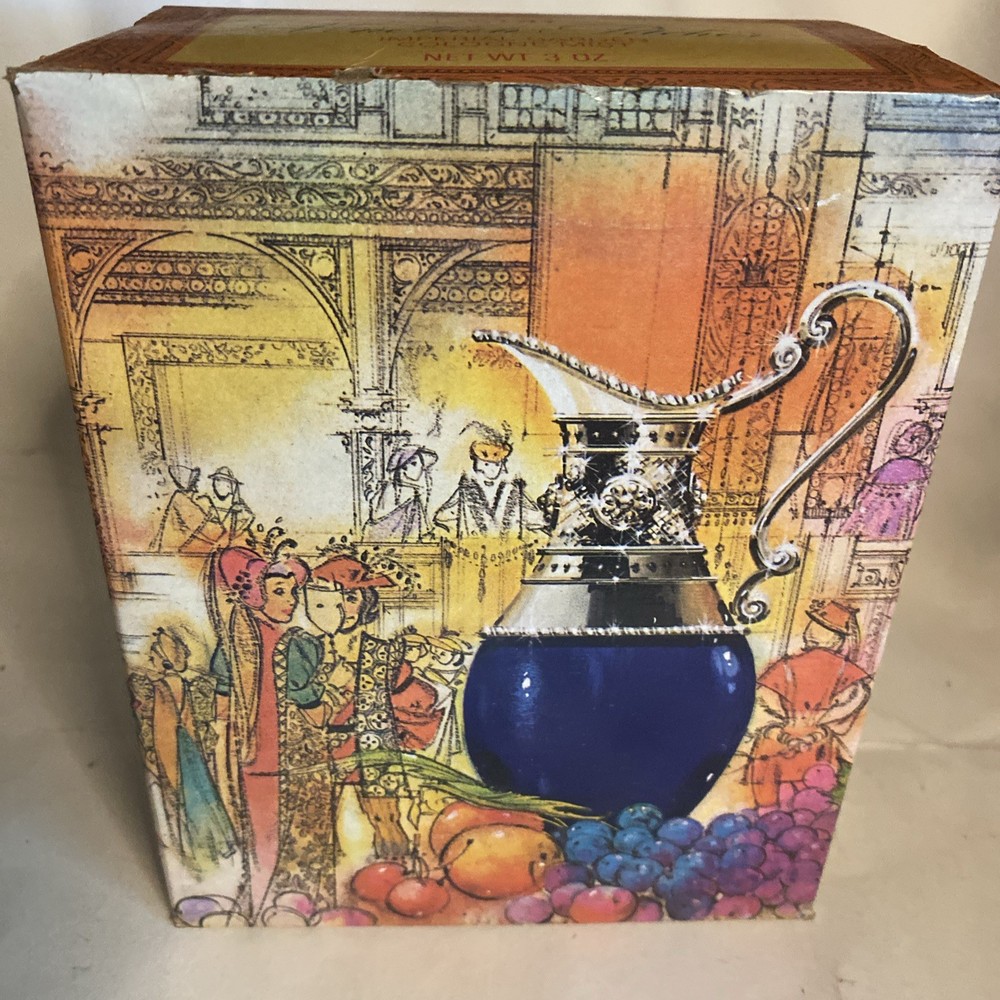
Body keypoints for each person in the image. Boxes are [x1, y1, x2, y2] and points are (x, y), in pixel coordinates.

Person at [282, 554, 444, 861]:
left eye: (352, 598)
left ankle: (395, 862)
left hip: (370, 740)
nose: (343, 608)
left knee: (386, 817)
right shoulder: (308, 646)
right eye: (336, 599)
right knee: (315, 819)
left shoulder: (378, 649)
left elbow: (407, 691)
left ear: (365, 602)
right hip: (320, 742)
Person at [208, 546, 309, 920]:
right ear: (254, 595)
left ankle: (267, 897)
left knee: (275, 831)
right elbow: (222, 706)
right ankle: (262, 897)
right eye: (279, 591)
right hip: (259, 755)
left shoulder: (285, 639)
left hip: (279, 754)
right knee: (263, 830)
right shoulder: (251, 641)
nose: (291, 600)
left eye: (292, 591)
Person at [744, 599, 871, 808]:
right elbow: (851, 703)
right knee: (814, 797)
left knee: (768, 799)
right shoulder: (848, 672)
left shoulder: (785, 666)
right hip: (819, 742)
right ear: (838, 640)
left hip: (779, 741)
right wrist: (819, 727)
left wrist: (780, 729)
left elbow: (762, 702)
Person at [147, 626, 237, 875]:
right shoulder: (183, 684)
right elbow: (189, 722)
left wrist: (163, 763)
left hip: (175, 748)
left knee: (188, 801)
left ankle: (202, 853)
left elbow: (162, 730)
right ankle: (218, 844)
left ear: (164, 659)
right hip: (190, 747)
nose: (150, 659)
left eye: (153, 654)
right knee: (203, 796)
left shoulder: (161, 688)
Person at [433, 429, 546, 539]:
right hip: (473, 544)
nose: (492, 469)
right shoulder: (466, 489)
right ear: (477, 463)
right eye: (486, 464)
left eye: (496, 464)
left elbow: (536, 518)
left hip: (508, 545)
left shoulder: (513, 489)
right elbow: (443, 516)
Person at [840, 420, 934, 540]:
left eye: (902, 436)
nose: (897, 439)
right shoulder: (922, 471)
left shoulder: (890, 468)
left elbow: (864, 496)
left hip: (872, 527)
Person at [363, 444, 438, 543]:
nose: (422, 469)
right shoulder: (399, 492)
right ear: (404, 466)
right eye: (414, 463)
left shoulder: (413, 492)